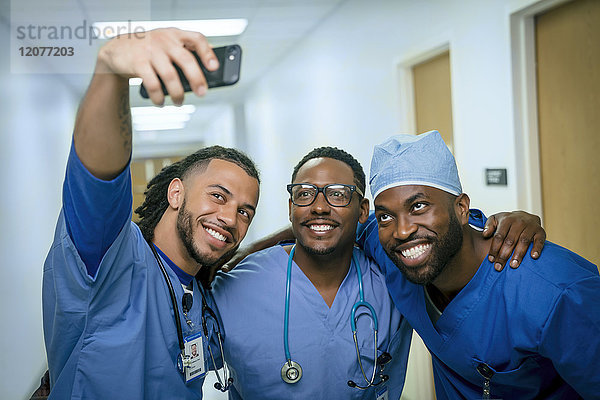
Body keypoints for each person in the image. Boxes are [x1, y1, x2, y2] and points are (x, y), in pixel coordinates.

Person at [210, 147, 546, 400]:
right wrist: (238, 254)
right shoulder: (232, 287)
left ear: (363, 211)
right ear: (291, 207)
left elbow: (445, 242)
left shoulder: (396, 272)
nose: (319, 206)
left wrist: (503, 223)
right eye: (305, 194)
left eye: (338, 194)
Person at [42, 28, 260, 399]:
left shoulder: (200, 289)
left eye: (245, 211)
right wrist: (110, 71)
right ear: (176, 192)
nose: (230, 218)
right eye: (218, 196)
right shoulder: (112, 259)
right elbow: (99, 177)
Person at [359, 130, 600, 398]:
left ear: (462, 208)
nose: (402, 231)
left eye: (418, 206)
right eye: (385, 216)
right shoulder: (394, 253)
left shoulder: (556, 292)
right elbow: (341, 225)